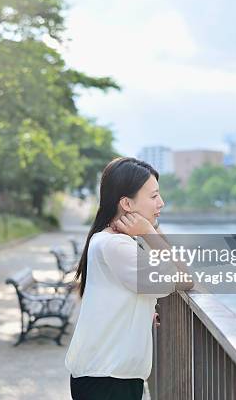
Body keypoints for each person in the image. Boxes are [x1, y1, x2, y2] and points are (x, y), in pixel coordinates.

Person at [65, 157, 194, 400]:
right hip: (106, 378)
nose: (161, 203)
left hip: (108, 374)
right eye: (154, 196)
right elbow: (185, 278)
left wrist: (141, 310)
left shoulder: (112, 241)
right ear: (126, 203)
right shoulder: (116, 245)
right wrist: (149, 232)